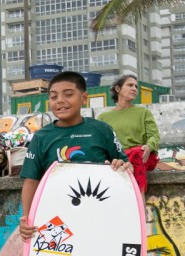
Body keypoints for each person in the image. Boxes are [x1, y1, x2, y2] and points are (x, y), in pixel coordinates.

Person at [18, 72, 128, 238]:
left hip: (100, 214)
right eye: (54, 97)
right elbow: (31, 180)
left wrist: (124, 166)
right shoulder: (41, 137)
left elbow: (124, 165)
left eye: (68, 94)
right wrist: (28, 218)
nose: (60, 101)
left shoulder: (102, 130)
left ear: (84, 98)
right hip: (55, 217)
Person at [97, 74, 160, 192]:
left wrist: (149, 146)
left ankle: (139, 200)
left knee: (136, 154)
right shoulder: (103, 117)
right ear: (117, 89)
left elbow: (154, 135)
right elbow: (99, 143)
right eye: (130, 85)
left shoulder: (144, 112)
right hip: (119, 158)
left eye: (136, 86)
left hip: (143, 156)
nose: (135, 89)